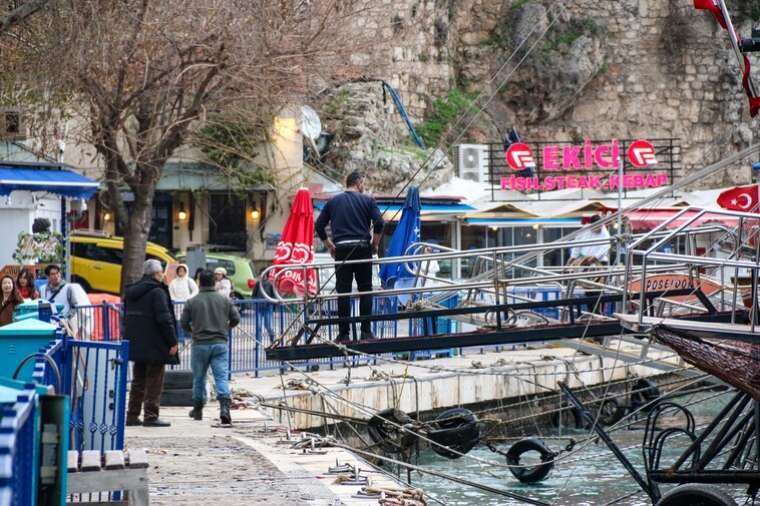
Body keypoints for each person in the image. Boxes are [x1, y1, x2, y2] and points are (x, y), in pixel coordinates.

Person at [315, 170, 384, 341]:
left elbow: (319, 225)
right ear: (359, 182)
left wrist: (330, 245)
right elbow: (380, 223)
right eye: (364, 183)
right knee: (365, 290)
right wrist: (374, 245)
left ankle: (344, 334)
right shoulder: (368, 200)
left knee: (343, 292)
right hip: (362, 249)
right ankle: (366, 332)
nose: (364, 187)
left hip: (342, 250)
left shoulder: (333, 201)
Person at [180, 270, 240, 424]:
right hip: (220, 344)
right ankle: (224, 409)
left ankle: (198, 409)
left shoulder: (192, 301)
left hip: (200, 344)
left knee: (199, 378)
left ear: (199, 282)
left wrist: (192, 331)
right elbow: (235, 318)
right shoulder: (224, 300)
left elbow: (183, 322)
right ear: (214, 282)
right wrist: (226, 328)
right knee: (221, 377)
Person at [124, 259, 179, 427]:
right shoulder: (157, 292)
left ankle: (132, 415)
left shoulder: (132, 291)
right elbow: (164, 319)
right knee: (155, 380)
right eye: (161, 272)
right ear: (156, 274)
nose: (163, 274)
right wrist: (172, 341)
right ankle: (151, 415)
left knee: (138, 380)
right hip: (156, 344)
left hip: (137, 343)